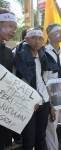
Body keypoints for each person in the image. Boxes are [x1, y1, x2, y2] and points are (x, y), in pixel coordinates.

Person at [14, 28, 55, 150]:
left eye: (40, 38)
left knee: (41, 137)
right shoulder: (17, 55)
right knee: (29, 139)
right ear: (26, 39)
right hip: (27, 102)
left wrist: (51, 105)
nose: (37, 41)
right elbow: (15, 82)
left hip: (44, 101)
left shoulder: (44, 56)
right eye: (33, 37)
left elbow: (46, 81)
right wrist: (30, 99)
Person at [0, 8, 17, 149]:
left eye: (15, 28)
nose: (13, 31)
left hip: (5, 110)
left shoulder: (8, 52)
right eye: (10, 26)